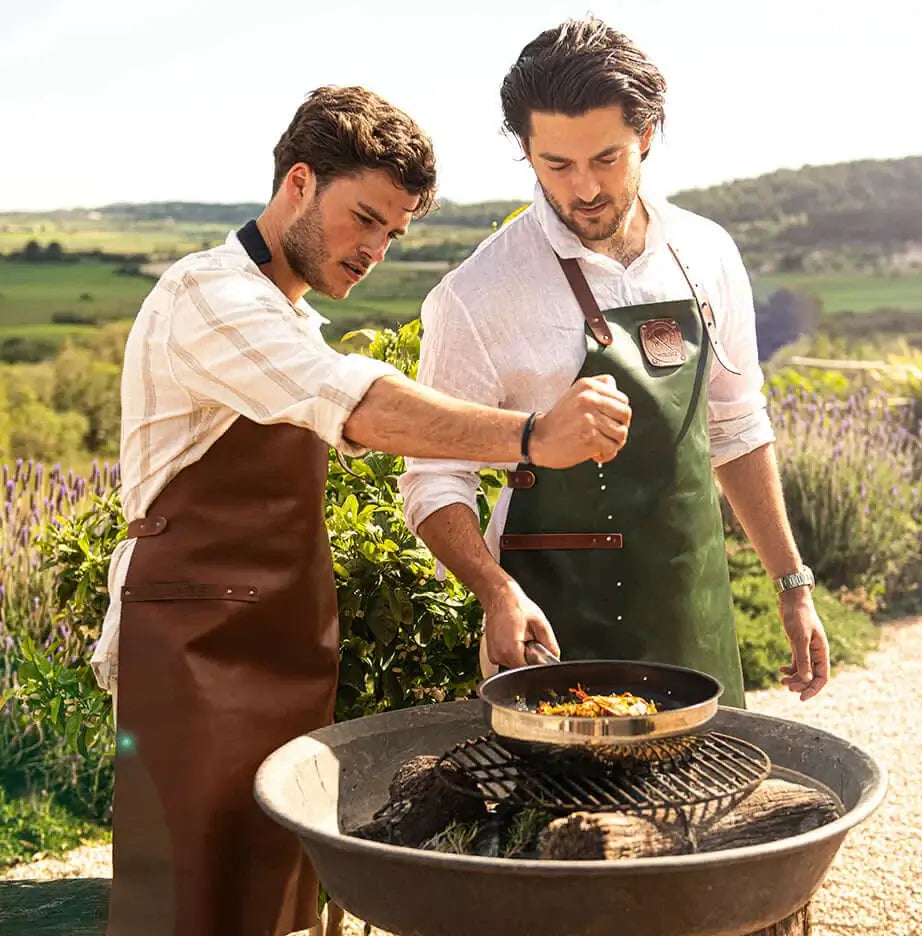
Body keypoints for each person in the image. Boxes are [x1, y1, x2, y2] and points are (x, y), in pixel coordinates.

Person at [92, 85, 633, 936]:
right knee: (187, 901)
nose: (375, 249)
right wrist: (533, 435)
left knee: (275, 898)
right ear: (299, 182)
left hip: (283, 641)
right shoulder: (208, 295)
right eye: (365, 219)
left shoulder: (289, 317)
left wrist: (494, 590)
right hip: (191, 651)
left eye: (394, 233)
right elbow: (361, 404)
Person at [399, 18, 829, 709]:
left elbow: (736, 426)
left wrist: (792, 584)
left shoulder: (707, 253)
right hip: (549, 629)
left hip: (693, 608)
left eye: (606, 158)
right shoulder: (476, 296)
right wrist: (495, 591)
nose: (584, 189)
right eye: (556, 165)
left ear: (647, 134)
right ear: (525, 150)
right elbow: (433, 477)